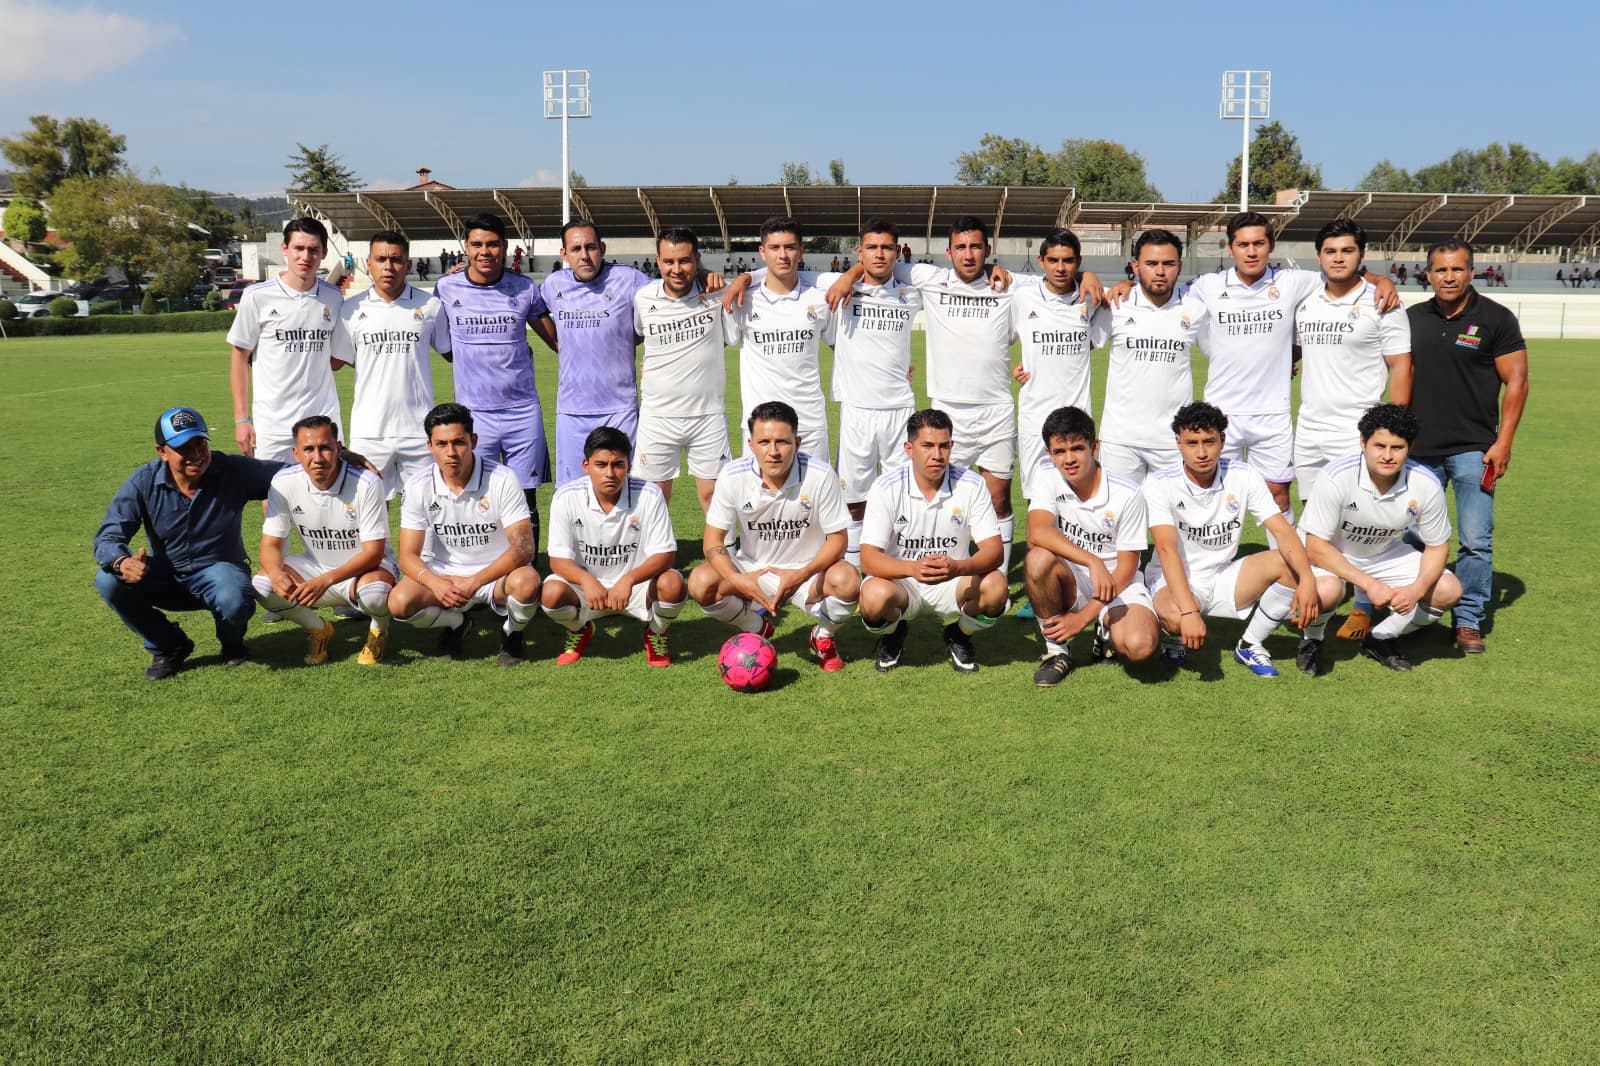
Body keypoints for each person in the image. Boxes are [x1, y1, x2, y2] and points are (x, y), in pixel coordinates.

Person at [1117, 212, 1399, 531]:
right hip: (1222, 413)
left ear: (1271, 246)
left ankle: (1287, 571)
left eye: (1258, 244)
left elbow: (1343, 275)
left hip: (1273, 414)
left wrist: (1382, 279)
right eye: (1243, 244)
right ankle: (1205, 567)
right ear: (1230, 248)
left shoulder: (1293, 282)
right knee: (1209, 495)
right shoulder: (1206, 287)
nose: (1251, 252)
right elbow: (1159, 290)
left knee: (1277, 496)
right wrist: (1126, 282)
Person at [1402, 238, 1528, 654]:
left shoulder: (1496, 319)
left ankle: (1468, 619)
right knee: (1413, 536)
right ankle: (1419, 610)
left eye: (1457, 269)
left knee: (1476, 540)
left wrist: (1503, 442)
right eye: (1440, 270)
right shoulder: (1413, 318)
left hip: (1476, 450)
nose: (1449, 277)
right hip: (1419, 451)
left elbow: (1517, 382)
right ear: (1428, 274)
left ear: (1472, 272)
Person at [94, 407, 283, 679]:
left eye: (200, 443)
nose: (196, 454)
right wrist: (122, 561)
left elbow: (290, 475)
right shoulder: (143, 481)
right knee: (107, 580)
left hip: (220, 574)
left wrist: (340, 459)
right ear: (162, 451)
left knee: (233, 596)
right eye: (184, 448)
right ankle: (169, 646)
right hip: (167, 577)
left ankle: (232, 643)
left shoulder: (232, 470)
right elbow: (108, 535)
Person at [1143, 403, 1326, 678]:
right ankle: (1171, 636)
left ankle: (1250, 644)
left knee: (1288, 564)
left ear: (1223, 440)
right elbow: (1167, 550)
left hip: (1223, 574)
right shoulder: (1159, 482)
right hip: (1174, 579)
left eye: (1209, 442)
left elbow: (1283, 531)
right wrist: (1189, 612)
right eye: (1192, 443)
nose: (1202, 452)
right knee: (1174, 614)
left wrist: (1307, 577)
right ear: (1178, 444)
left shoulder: (1244, 474)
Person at [687, 401, 858, 672]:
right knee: (700, 582)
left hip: (807, 575)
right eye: (764, 442)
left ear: (798, 442)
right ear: (751, 443)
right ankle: (754, 626)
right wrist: (737, 579)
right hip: (755, 571)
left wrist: (800, 575)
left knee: (848, 579)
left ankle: (822, 637)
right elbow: (713, 543)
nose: (773, 452)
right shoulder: (732, 476)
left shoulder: (821, 475)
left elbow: (839, 540)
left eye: (782, 442)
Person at [1301, 404, 1462, 673]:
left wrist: (1416, 590)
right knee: (1327, 592)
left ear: (1410, 447)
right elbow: (1315, 547)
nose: (1387, 456)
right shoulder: (1336, 476)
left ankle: (1380, 637)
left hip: (1381, 552)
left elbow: (1437, 546)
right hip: (1331, 552)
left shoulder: (1425, 483)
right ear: (1363, 443)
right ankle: (1312, 641)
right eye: (1379, 446)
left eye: (1397, 448)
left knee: (1449, 590)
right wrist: (1369, 584)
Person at [433, 212, 559, 554]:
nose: (484, 251)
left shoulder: (525, 289)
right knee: (477, 493)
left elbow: (558, 342)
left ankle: (529, 571)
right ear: (466, 247)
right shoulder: (446, 287)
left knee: (524, 495)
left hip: (522, 412)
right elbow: (442, 345)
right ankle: (481, 566)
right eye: (477, 244)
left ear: (505, 247)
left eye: (492, 244)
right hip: (474, 416)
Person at [389, 403, 542, 666]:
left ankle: (512, 633)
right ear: (430, 446)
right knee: (399, 603)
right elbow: (407, 556)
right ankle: (457, 623)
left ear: (473, 441)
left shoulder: (502, 478)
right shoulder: (418, 486)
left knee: (528, 584)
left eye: (459, 442)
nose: (451, 453)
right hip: (445, 574)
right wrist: (436, 583)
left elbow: (524, 547)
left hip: (497, 576)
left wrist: (474, 582)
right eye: (441, 444)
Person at [858, 409, 1008, 674]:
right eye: (927, 446)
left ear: (952, 446)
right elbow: (868, 558)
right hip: (902, 583)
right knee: (872, 599)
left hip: (953, 580)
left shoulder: (971, 484)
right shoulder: (886, 487)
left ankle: (960, 635)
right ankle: (893, 633)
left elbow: (994, 551)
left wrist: (958, 568)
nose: (937, 455)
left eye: (944, 446)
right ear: (909, 448)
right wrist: (912, 569)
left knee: (996, 587)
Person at [1023, 406, 1159, 686]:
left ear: (1094, 447)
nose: (1069, 459)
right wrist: (1091, 561)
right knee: (1037, 559)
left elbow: (1128, 567)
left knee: (1140, 646)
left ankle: (1104, 628)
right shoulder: (1046, 474)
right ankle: (1056, 652)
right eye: (1059, 452)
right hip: (1073, 577)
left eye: (1077, 448)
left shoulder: (1127, 492)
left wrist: (1082, 619)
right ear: (1049, 453)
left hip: (1119, 582)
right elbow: (1038, 531)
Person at [251, 415, 395, 665]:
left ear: (339, 448)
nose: (317, 457)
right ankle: (318, 628)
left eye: (325, 448)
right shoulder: (283, 482)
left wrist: (325, 581)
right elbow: (271, 545)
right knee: (262, 585)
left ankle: (378, 630)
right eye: (308, 449)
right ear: (296, 453)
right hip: (316, 567)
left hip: (367, 570)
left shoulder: (367, 482)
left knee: (375, 594)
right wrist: (276, 573)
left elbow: (374, 553)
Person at [541, 426, 685, 667]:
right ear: (585, 466)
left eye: (618, 464)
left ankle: (656, 632)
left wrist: (628, 580)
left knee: (673, 584)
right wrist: (587, 581)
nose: (610, 473)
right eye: (601, 465)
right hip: (587, 590)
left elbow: (665, 555)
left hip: (635, 587)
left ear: (629, 466)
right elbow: (557, 560)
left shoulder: (650, 494)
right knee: (551, 594)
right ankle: (579, 629)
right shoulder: (566, 497)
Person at [1292, 219, 1413, 497]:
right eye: (1330, 251)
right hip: (1309, 428)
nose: (1338, 258)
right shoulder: (1305, 300)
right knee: (1313, 510)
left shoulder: (1383, 302)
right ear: (1319, 256)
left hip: (1356, 429)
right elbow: (1296, 351)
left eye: (1347, 251)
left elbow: (1401, 364)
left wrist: (1393, 428)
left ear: (1362, 255)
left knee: (1356, 515)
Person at [332, 230, 452, 499]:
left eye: (396, 260)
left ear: (408, 264)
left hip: (420, 431)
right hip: (370, 431)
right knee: (372, 516)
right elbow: (336, 362)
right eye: (381, 259)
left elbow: (453, 353)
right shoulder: (350, 310)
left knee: (425, 513)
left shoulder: (431, 306)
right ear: (369, 263)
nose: (389, 266)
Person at [541, 221, 653, 486]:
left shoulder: (628, 279)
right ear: (564, 254)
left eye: (590, 247)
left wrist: (705, 273)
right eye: (576, 248)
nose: (584, 255)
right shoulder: (553, 284)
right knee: (571, 492)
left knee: (622, 487)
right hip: (572, 409)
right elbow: (527, 305)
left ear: (602, 248)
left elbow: (667, 295)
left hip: (619, 408)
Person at [630, 226, 732, 512]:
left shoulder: (716, 293)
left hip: (707, 414)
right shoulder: (644, 298)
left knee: (715, 497)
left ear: (697, 259)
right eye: (669, 261)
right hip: (658, 415)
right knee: (652, 499)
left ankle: (725, 555)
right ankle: (654, 556)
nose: (677, 269)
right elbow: (644, 337)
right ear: (658, 261)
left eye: (685, 261)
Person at [227, 218, 343, 462]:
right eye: (298, 249)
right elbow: (239, 358)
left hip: (322, 420)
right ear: (285, 249)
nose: (305, 257)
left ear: (323, 253)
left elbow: (335, 359)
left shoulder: (334, 297)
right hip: (273, 424)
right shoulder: (257, 296)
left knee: (327, 494)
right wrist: (242, 419)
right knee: (274, 497)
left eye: (313, 250)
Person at [1009, 229, 1110, 501]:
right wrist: (1025, 363)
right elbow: (1000, 340)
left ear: (1078, 262)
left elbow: (1088, 342)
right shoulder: (1022, 297)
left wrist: (1096, 278)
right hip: (1034, 417)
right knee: (1036, 498)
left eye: (1068, 261)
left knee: (1078, 496)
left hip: (1078, 416)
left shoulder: (1093, 298)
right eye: (1053, 260)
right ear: (1041, 262)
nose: (1061, 267)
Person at [723, 216, 834, 464]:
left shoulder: (819, 299)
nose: (782, 255)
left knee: (814, 498)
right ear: (762, 252)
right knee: (760, 498)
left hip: (809, 423)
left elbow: (844, 348)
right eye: (774, 248)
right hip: (760, 425)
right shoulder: (743, 300)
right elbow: (714, 346)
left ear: (801, 251)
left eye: (790, 247)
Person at [1097, 229, 1203, 480]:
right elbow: (1081, 346)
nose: (1160, 271)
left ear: (1179, 265)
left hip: (1173, 440)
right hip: (1120, 440)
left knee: (1170, 517)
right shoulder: (1115, 304)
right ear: (1135, 266)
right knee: (1119, 516)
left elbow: (1226, 351)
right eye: (1151, 263)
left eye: (1168, 263)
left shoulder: (1197, 309)